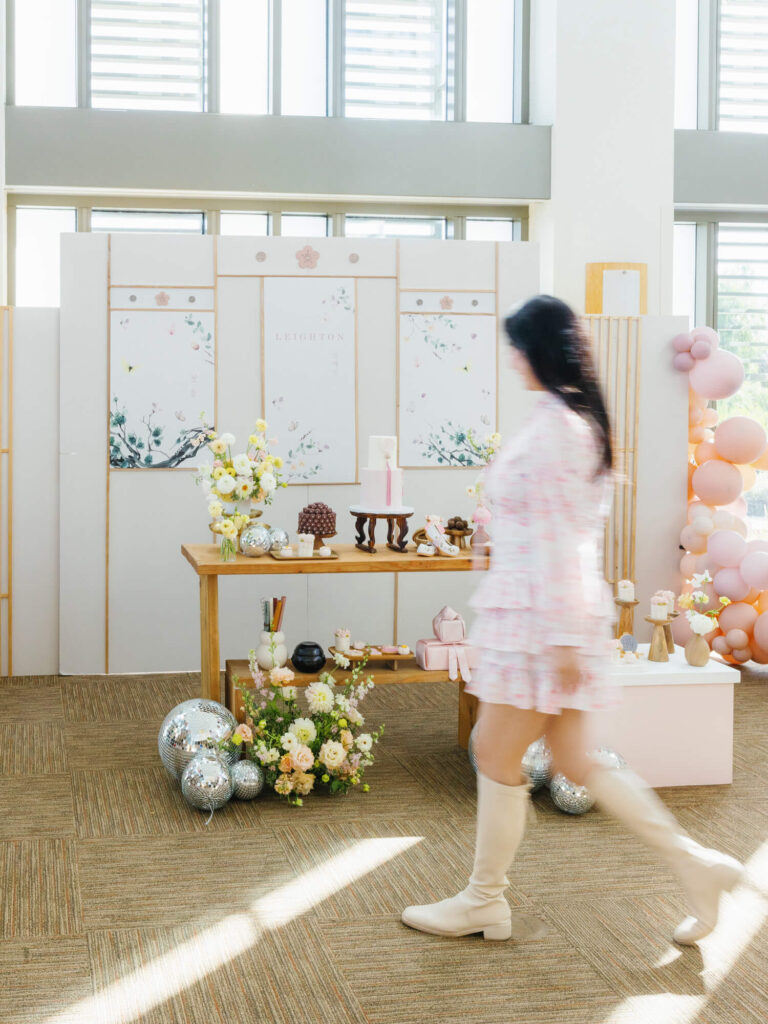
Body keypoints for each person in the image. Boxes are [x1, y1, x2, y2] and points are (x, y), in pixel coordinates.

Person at [401, 294, 744, 945]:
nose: (511, 359)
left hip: (544, 623)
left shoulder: (561, 427)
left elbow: (563, 541)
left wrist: (559, 638)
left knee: (496, 752)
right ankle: (696, 865)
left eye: (516, 346)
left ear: (537, 349)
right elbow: (546, 523)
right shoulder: (564, 416)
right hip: (548, 617)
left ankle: (484, 901)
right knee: (576, 760)